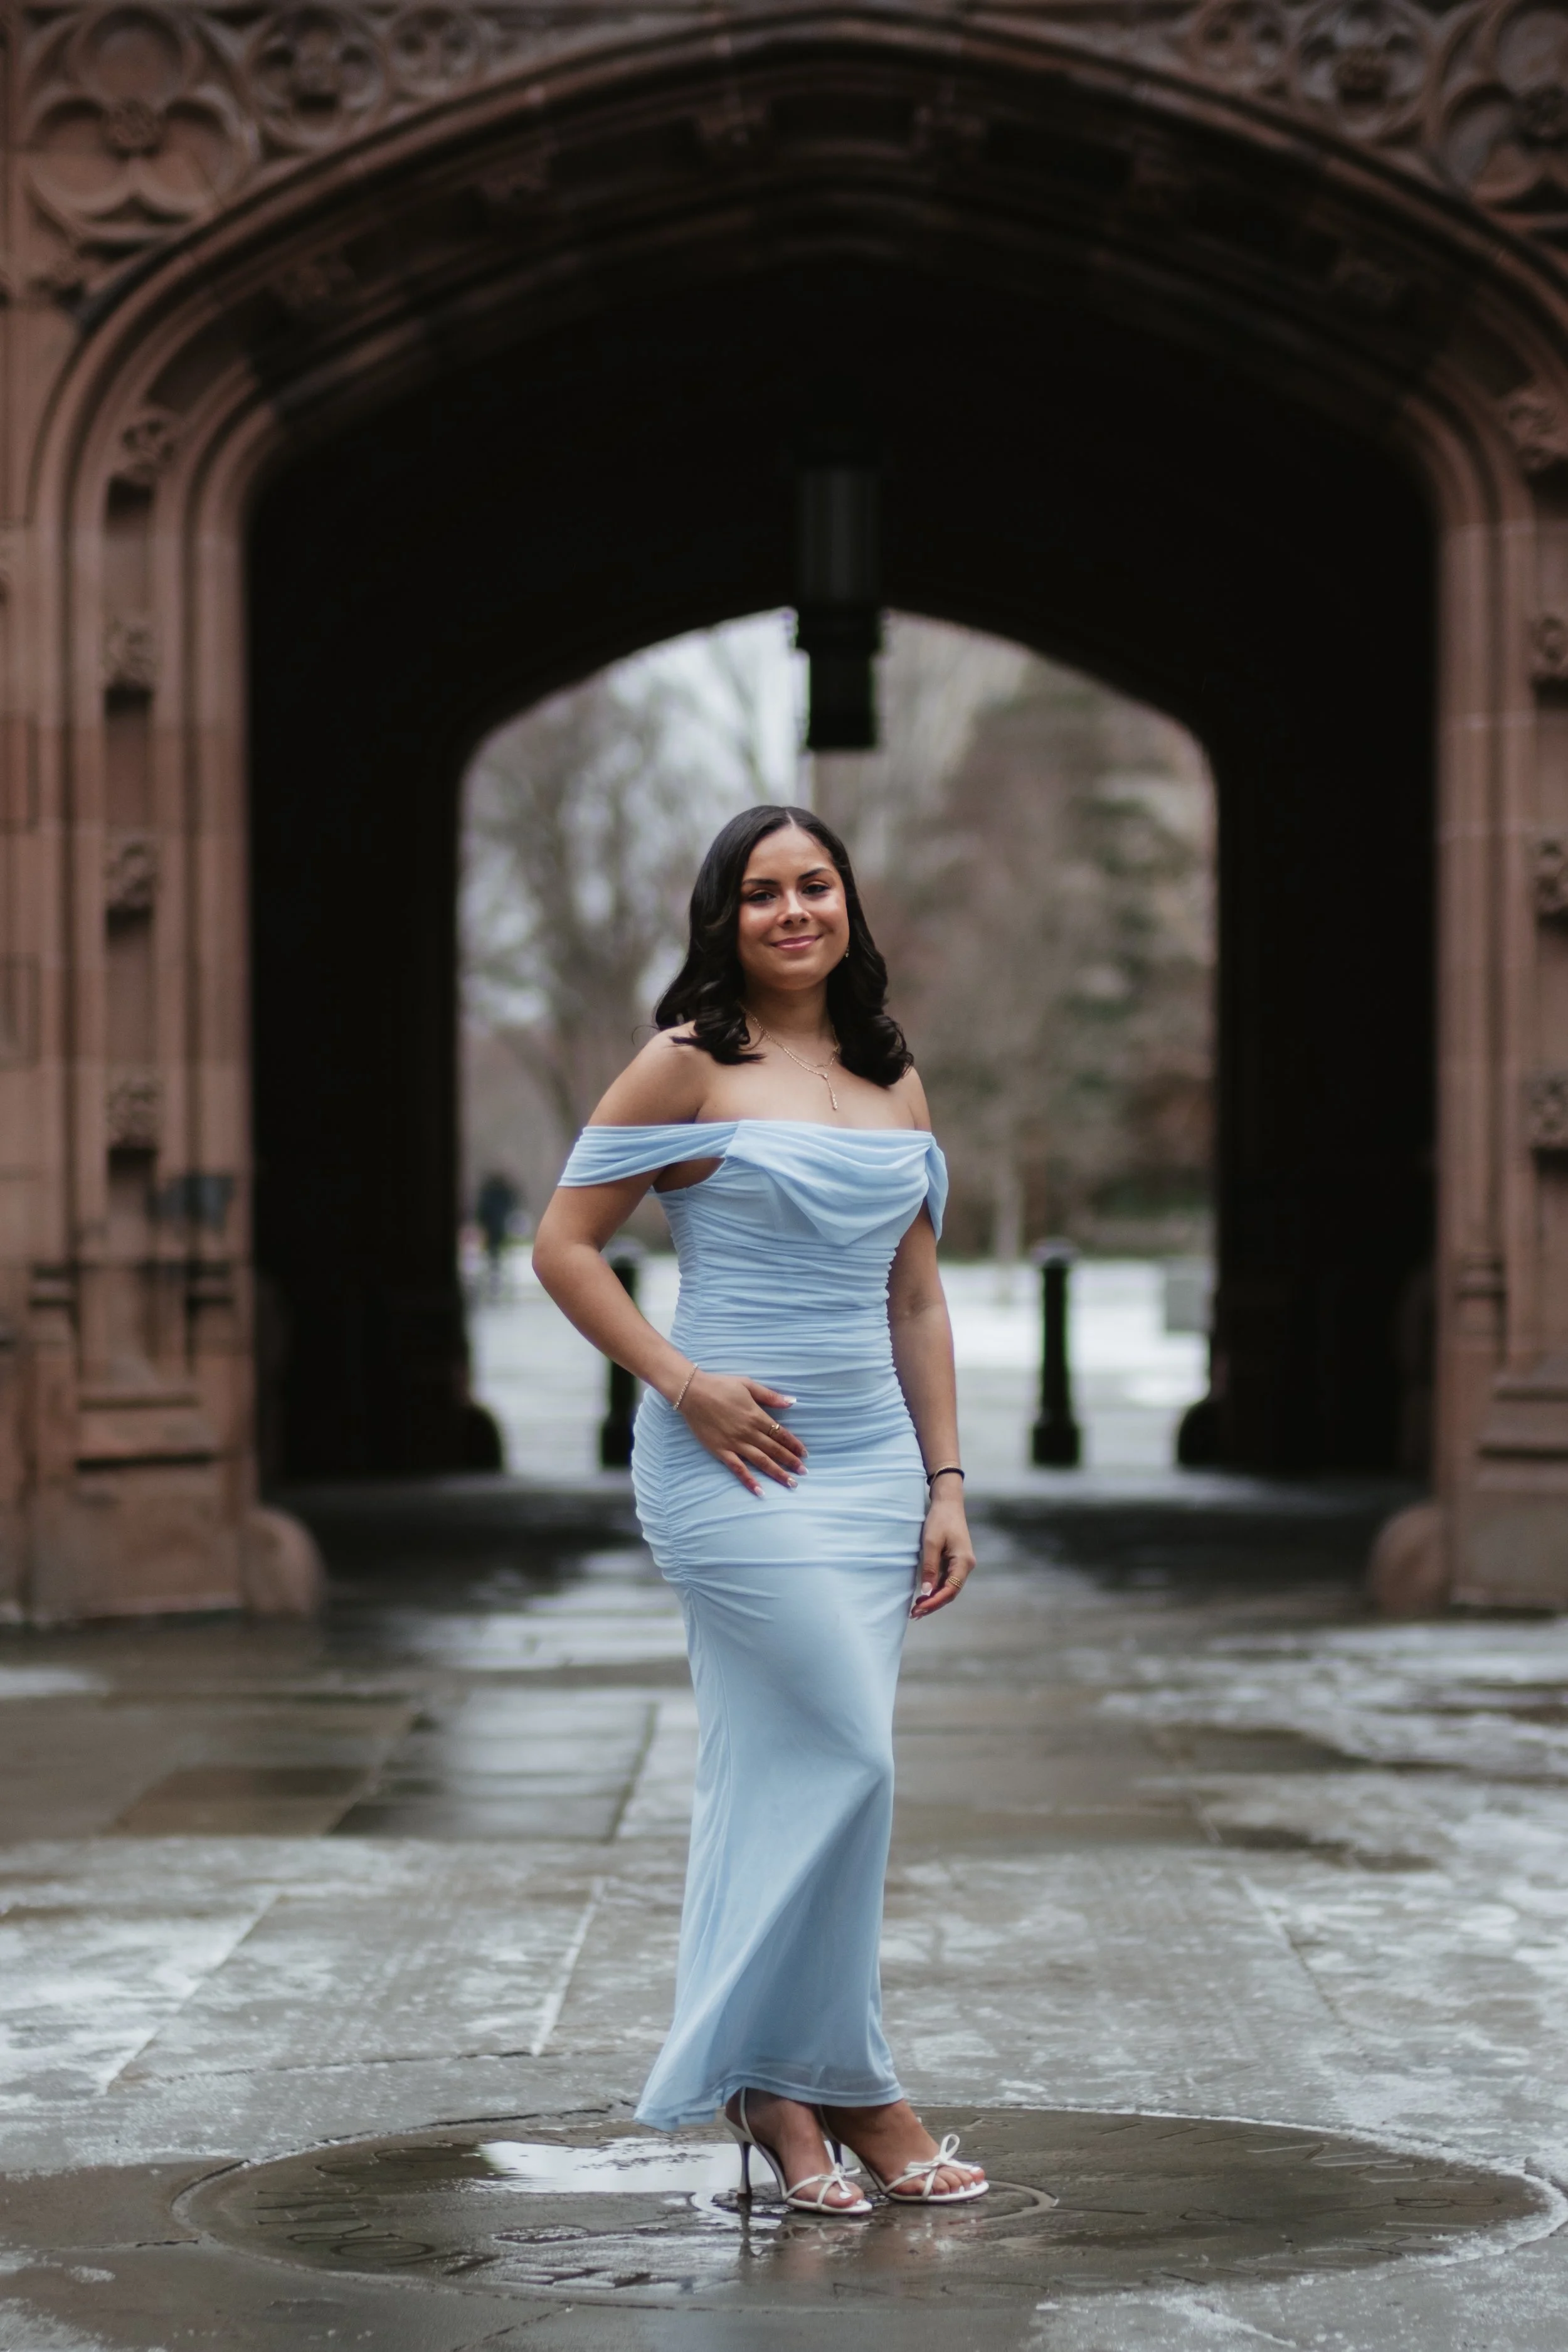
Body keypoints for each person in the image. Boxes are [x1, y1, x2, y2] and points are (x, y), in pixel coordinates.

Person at [532, 805, 985, 2215]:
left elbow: (914, 1296)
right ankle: (837, 2086)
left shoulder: (889, 1075)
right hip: (729, 1465)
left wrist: (945, 1480)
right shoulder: (687, 1064)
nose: (793, 912)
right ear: (721, 917)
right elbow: (564, 1247)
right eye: (760, 893)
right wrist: (680, 1384)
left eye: (816, 886)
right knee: (847, 1759)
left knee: (791, 1770)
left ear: (850, 903)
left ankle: (786, 2089)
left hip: (864, 1477)